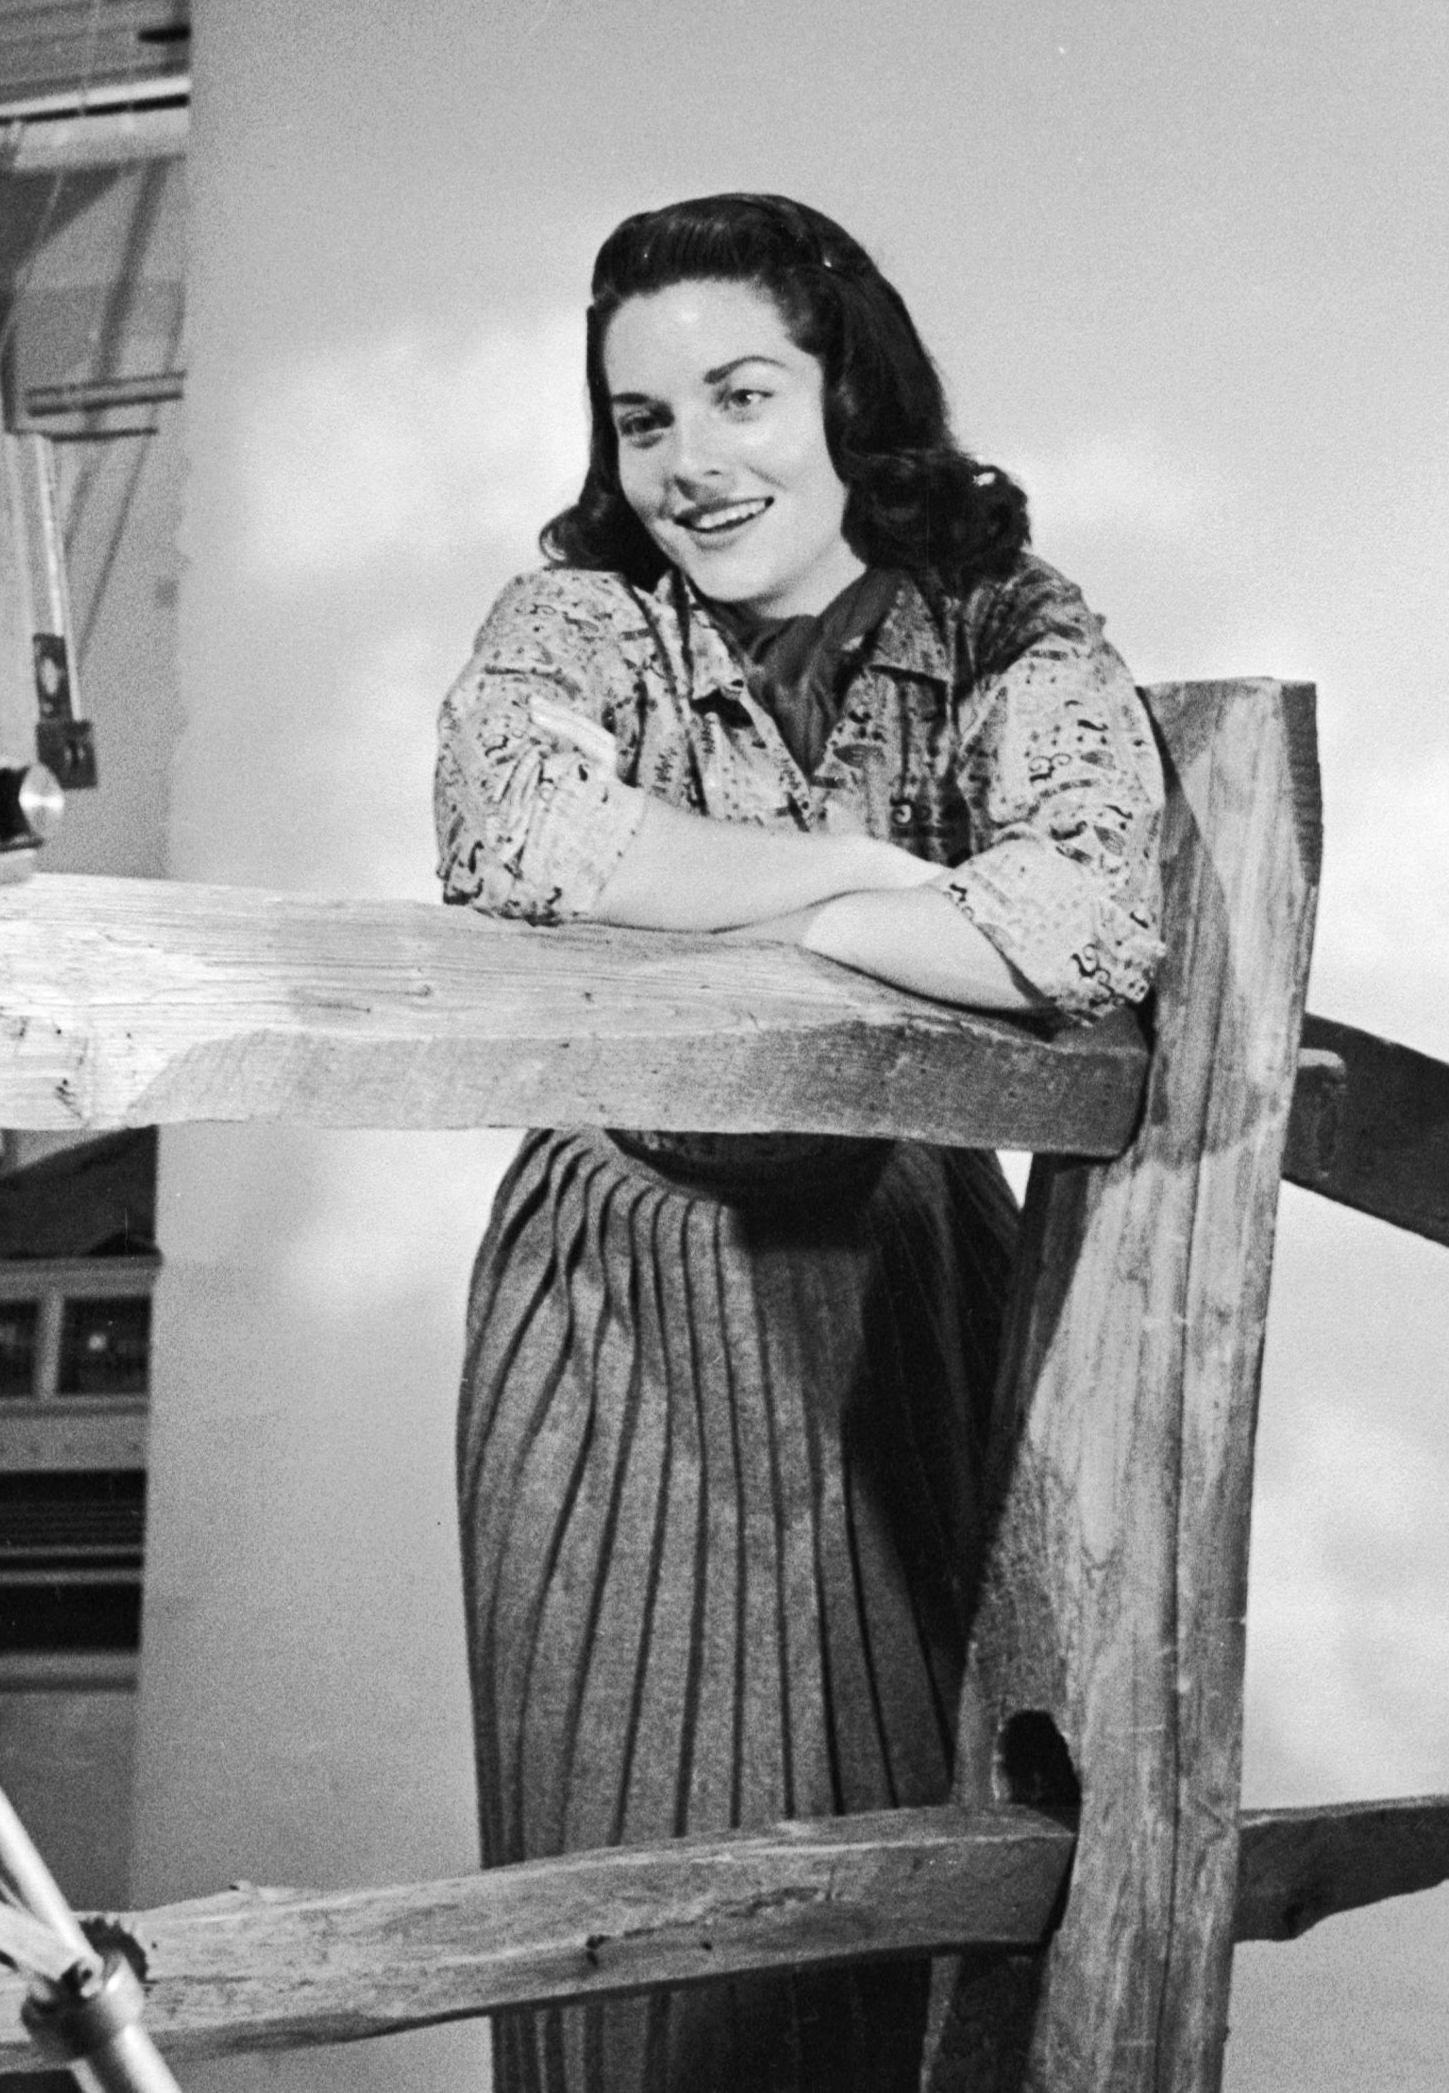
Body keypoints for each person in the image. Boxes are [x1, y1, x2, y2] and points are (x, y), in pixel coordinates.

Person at [435, 193, 1167, 2093]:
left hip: (904, 1287)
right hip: (619, 1291)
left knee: (917, 1844)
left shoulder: (1009, 619)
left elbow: (1090, 916)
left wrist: (723, 903)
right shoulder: (582, 616)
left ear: (851, 388)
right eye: (642, 418)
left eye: (740, 393)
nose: (691, 461)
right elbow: (518, 841)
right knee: (621, 1891)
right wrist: (868, 875)